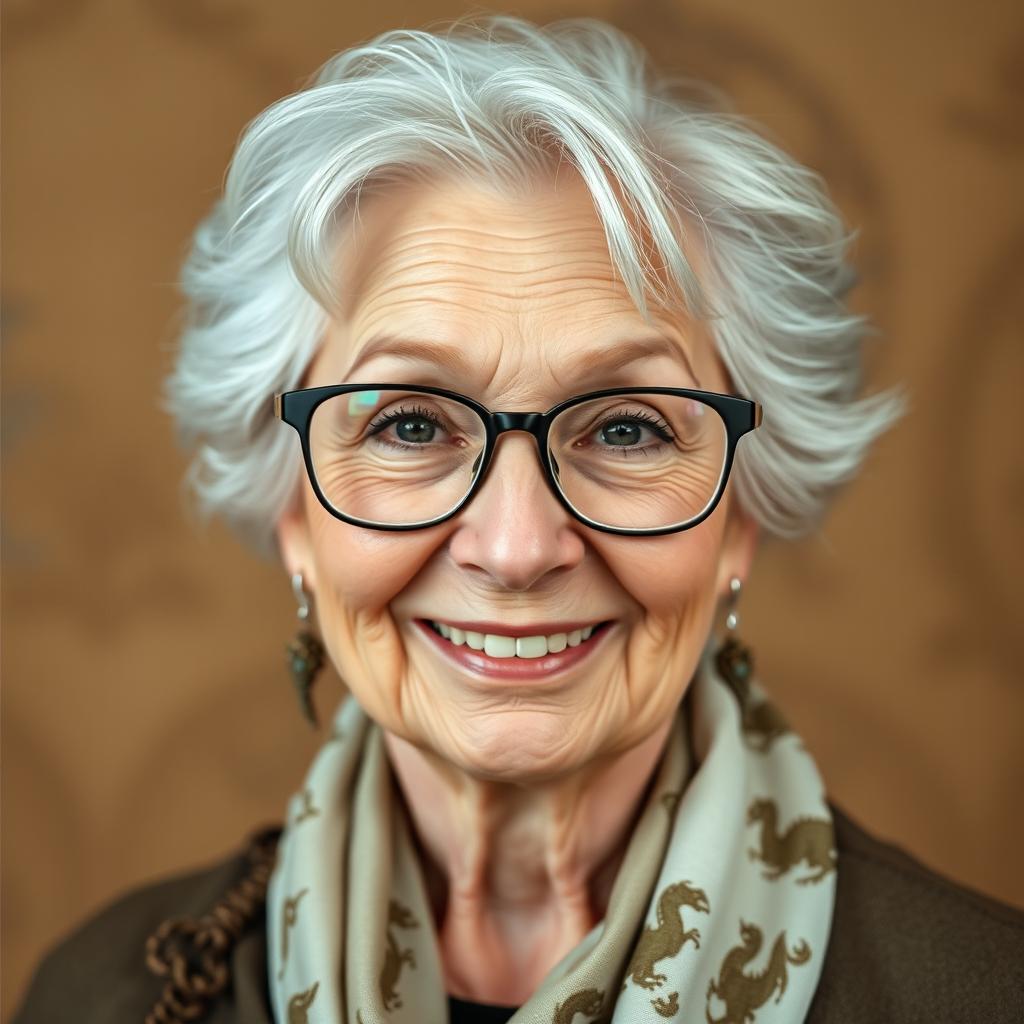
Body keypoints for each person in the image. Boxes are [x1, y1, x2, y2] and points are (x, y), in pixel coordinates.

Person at [13, 14, 1024, 1024]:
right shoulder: (105, 996)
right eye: (410, 423)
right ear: (291, 510)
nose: (516, 547)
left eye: (626, 429)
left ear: (740, 518)